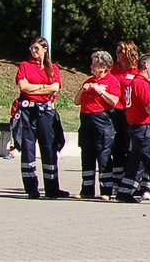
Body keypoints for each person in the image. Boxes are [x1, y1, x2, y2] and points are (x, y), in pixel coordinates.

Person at [14, 37, 71, 199]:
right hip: (27, 113)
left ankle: (52, 187)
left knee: (49, 148)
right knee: (28, 149)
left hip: (46, 113)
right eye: (32, 48)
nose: (34, 51)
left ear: (45, 49)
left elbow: (54, 88)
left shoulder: (53, 69)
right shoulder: (25, 66)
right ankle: (32, 188)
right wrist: (43, 88)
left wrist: (34, 90)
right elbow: (23, 87)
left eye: (37, 48)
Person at [117, 53, 150, 204]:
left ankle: (124, 191)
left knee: (137, 160)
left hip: (138, 127)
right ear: (146, 65)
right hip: (143, 127)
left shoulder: (137, 82)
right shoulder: (140, 83)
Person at [77, 51, 121, 199]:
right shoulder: (88, 81)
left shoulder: (112, 81)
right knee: (87, 154)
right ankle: (86, 190)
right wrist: (83, 90)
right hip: (86, 119)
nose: (91, 66)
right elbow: (77, 101)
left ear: (104, 67)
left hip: (102, 120)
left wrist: (100, 92)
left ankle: (106, 190)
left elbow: (114, 101)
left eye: (95, 64)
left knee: (104, 155)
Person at [108, 41, 140, 175]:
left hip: (130, 112)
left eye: (120, 51)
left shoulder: (137, 70)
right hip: (115, 110)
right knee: (117, 145)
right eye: (116, 51)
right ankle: (117, 178)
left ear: (129, 52)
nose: (117, 54)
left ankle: (130, 177)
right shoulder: (114, 69)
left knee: (130, 146)